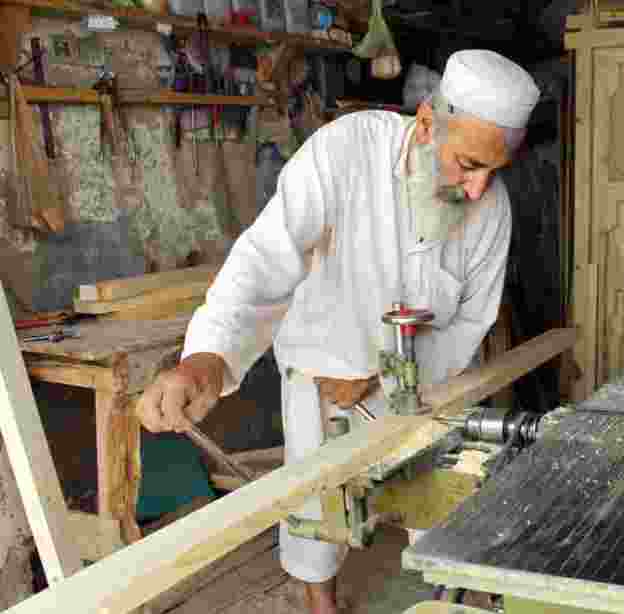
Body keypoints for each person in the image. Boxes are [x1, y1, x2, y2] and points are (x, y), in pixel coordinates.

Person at [136, 49, 540, 614]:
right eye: (469, 164)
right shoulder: (346, 151)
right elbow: (265, 257)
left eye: (494, 170)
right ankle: (322, 605)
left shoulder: (491, 209)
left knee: (442, 509)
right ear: (428, 123)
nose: (478, 189)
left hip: (430, 384)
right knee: (316, 515)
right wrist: (206, 358)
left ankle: (446, 597)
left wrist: (381, 378)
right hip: (323, 375)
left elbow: (472, 320)